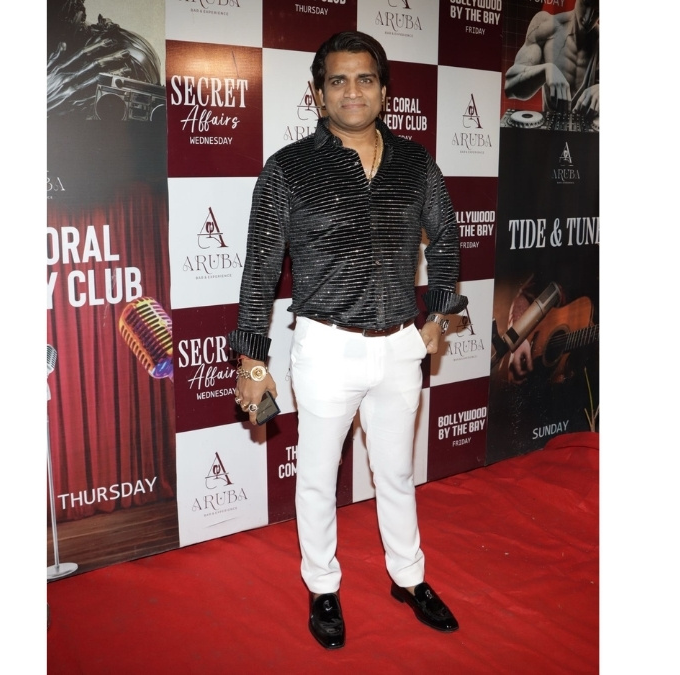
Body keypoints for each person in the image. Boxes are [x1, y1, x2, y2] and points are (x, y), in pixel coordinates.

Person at [226, 31, 467, 650]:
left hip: (400, 346)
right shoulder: (287, 170)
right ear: (317, 93)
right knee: (316, 478)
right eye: (338, 80)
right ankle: (322, 586)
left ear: (384, 92)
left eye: (365, 79)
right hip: (326, 348)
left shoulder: (416, 164)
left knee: (397, 473)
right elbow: (259, 270)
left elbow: (446, 239)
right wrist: (252, 360)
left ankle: (408, 578)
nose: (352, 91)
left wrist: (440, 316)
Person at [504, 0, 599, 119]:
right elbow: (510, 86)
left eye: (597, 11)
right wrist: (546, 70)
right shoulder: (546, 26)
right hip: (551, 127)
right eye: (586, 4)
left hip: (588, 129)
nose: (588, 18)